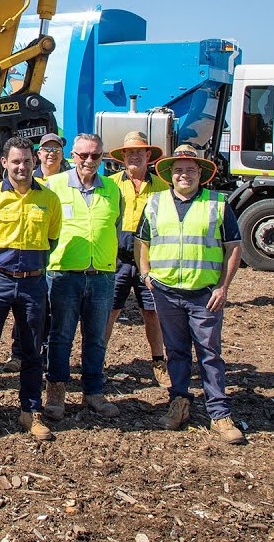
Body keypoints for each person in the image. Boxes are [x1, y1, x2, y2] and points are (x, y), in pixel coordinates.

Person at [136, 145, 246, 444]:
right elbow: (143, 242)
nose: (184, 175)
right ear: (170, 175)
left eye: (190, 170)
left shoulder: (217, 204)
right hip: (166, 291)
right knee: (176, 351)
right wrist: (146, 274)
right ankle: (179, 402)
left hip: (204, 294)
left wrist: (223, 286)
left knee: (209, 352)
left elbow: (233, 247)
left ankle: (219, 413)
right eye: (178, 170)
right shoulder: (155, 202)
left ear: (201, 174)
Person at [0, 137, 61, 440]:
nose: (22, 166)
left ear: (35, 162)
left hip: (33, 283)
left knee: (33, 349)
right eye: (16, 161)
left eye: (27, 161)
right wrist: (3, 264)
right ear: (4, 163)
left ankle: (30, 411)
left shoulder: (49, 199)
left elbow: (52, 238)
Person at [44, 133, 123, 421]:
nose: (89, 160)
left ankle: (93, 393)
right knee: (60, 336)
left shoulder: (112, 189)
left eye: (95, 155)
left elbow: (116, 226)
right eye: (83, 155)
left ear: (103, 157)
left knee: (96, 338)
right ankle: (56, 393)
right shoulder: (54, 186)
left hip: (101, 275)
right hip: (64, 274)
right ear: (73, 156)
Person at [105, 131, 170, 388]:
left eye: (139, 152)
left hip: (149, 261)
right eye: (130, 152)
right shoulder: (110, 184)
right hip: (117, 260)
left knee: (152, 313)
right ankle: (97, 361)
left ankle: (158, 362)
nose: (134, 156)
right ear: (123, 157)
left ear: (148, 155)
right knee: (109, 312)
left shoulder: (162, 188)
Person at [2, 132, 70, 374]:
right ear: (38, 154)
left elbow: (54, 232)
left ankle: (44, 356)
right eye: (46, 149)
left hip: (57, 257)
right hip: (29, 262)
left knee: (47, 312)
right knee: (24, 311)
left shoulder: (69, 180)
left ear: (62, 154)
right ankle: (18, 353)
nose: (51, 154)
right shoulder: (28, 178)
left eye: (56, 149)